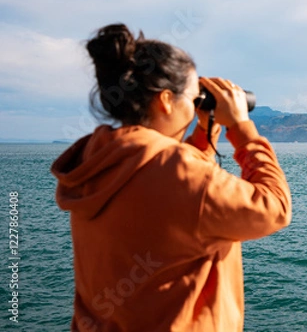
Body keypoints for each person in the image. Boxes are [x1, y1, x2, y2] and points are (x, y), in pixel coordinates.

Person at [51, 24, 292, 332]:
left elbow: (174, 197)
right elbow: (275, 208)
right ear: (166, 100)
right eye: (195, 99)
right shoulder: (177, 173)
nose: (196, 108)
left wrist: (204, 138)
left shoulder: (95, 159)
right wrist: (243, 131)